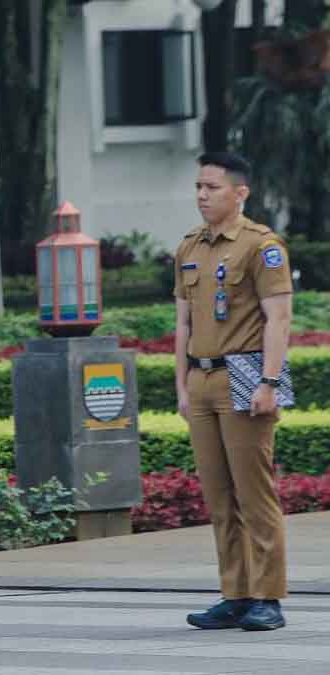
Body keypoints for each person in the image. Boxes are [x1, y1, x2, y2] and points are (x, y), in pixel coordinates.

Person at [174, 151, 294, 631]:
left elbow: (279, 318)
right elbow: (181, 323)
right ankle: (235, 593)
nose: (202, 195)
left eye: (212, 187)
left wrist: (268, 381)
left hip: (245, 376)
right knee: (219, 497)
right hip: (201, 380)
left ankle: (269, 597)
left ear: (240, 193)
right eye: (199, 187)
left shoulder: (262, 246)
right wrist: (181, 385)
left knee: (254, 493)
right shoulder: (189, 248)